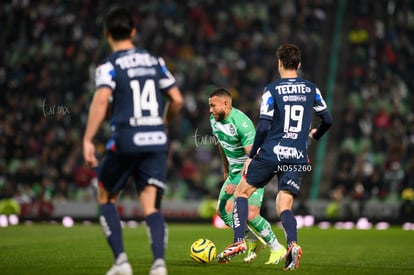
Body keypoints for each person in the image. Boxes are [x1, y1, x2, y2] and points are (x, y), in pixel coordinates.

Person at [82, 7, 183, 275]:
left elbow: (102, 100)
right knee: (151, 205)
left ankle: (121, 263)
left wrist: (88, 139)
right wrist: (164, 122)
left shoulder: (109, 66)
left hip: (127, 137)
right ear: (134, 32)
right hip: (156, 139)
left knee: (106, 194)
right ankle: (159, 264)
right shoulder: (154, 60)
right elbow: (177, 99)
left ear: (107, 34)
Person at [216, 44, 332, 270]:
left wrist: (252, 156)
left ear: (279, 63)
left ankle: (239, 240)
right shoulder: (312, 89)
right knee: (285, 205)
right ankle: (292, 244)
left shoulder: (272, 89)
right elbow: (327, 120)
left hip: (272, 152)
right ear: (298, 64)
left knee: (241, 192)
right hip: (297, 155)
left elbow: (263, 126)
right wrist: (316, 135)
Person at [209, 88, 286, 264]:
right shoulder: (214, 120)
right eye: (209, 106)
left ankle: (277, 247)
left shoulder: (241, 123)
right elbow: (221, 144)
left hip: (252, 170)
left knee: (250, 214)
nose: (210, 110)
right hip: (234, 171)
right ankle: (252, 239)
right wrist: (226, 169)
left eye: (213, 105)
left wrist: (238, 186)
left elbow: (254, 158)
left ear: (226, 104)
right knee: (222, 211)